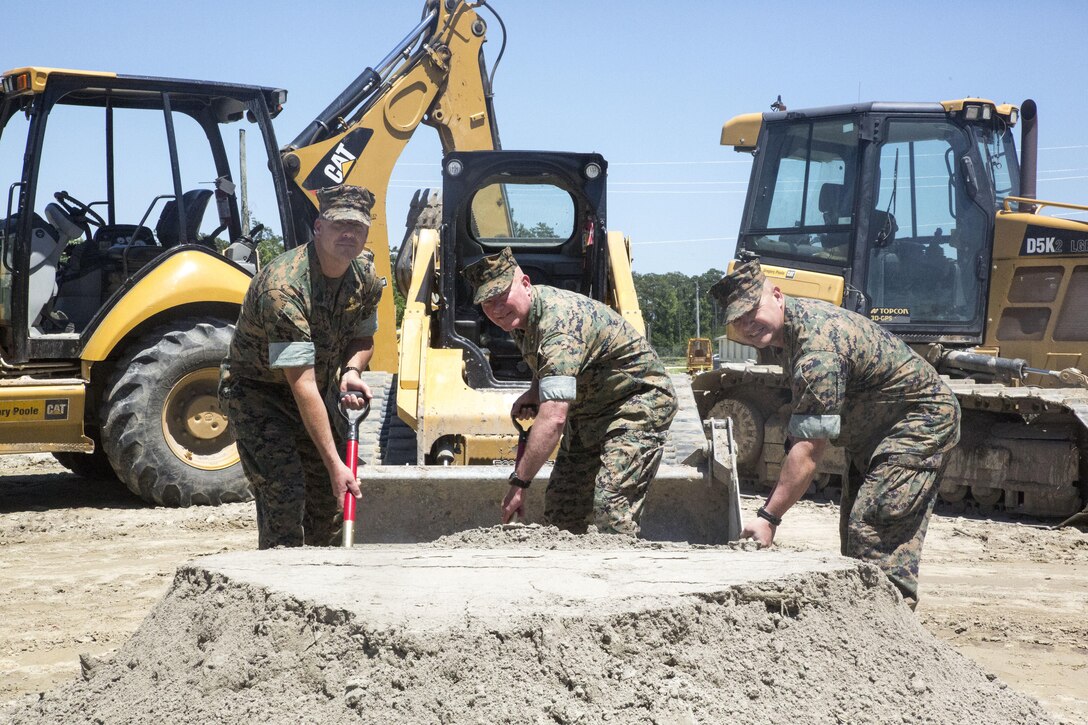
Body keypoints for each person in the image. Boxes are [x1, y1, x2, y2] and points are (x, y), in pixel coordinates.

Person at [709, 258, 960, 607]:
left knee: (872, 529)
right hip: (874, 432)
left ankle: (889, 625)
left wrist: (768, 518)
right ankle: (867, 619)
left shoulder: (817, 350)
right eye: (738, 319)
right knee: (853, 534)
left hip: (919, 424)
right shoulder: (793, 332)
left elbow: (810, 451)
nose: (748, 325)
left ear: (778, 296)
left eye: (753, 310)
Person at [462, 247, 678, 536]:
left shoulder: (558, 324)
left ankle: (621, 570)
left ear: (526, 284)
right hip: (591, 407)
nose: (497, 308)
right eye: (487, 302)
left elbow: (554, 419)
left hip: (637, 400)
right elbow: (547, 362)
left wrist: (519, 484)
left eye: (502, 296)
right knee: (563, 508)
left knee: (610, 502)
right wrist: (534, 391)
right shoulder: (519, 319)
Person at [218, 185, 385, 548]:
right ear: (318, 227)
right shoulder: (283, 288)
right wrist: (333, 463)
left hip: (317, 392)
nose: (348, 234)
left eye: (357, 227)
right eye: (339, 224)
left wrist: (352, 371)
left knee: (329, 503)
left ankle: (327, 583)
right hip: (260, 395)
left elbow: (363, 339)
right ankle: (281, 580)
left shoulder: (366, 280)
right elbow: (301, 384)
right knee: (285, 492)